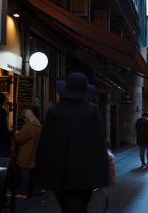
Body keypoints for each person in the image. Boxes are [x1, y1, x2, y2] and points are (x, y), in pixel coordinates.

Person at [35, 72, 109, 213]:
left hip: (58, 174)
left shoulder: (54, 111)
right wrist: (103, 177)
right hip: (84, 174)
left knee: (65, 208)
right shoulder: (91, 111)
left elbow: (45, 144)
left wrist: (42, 174)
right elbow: (98, 145)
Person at [14, 109, 42, 199]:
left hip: (27, 153)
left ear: (25, 118)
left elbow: (20, 139)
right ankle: (35, 191)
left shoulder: (28, 126)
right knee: (34, 175)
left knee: (24, 174)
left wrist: (17, 134)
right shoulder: (38, 126)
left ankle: (24, 193)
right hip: (35, 153)